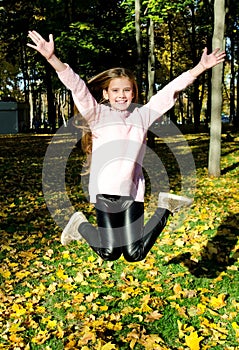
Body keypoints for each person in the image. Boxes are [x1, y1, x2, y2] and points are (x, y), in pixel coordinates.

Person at [27, 30, 226, 262]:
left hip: (133, 194)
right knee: (110, 253)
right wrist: (52, 59)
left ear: (133, 93)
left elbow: (170, 91)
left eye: (127, 90)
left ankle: (165, 207)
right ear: (105, 93)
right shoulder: (97, 115)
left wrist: (200, 67)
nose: (121, 95)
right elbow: (77, 87)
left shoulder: (142, 116)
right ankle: (80, 225)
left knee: (135, 254)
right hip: (106, 195)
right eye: (115, 90)